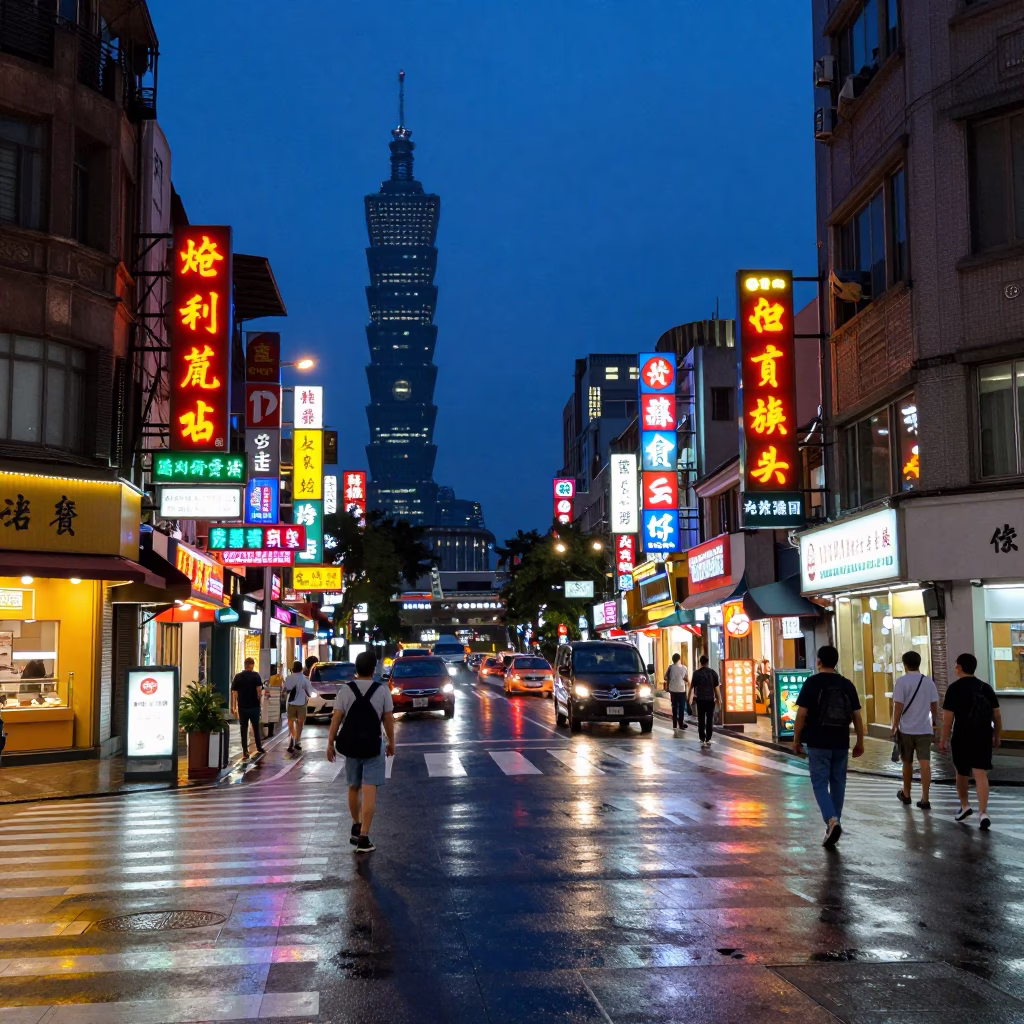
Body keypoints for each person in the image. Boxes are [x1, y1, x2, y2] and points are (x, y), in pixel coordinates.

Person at [793, 644, 864, 848]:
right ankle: (834, 825)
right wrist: (860, 740)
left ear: (818, 661)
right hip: (841, 741)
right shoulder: (846, 685)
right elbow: (857, 716)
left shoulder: (812, 683)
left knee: (819, 783)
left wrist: (796, 739)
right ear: (836, 662)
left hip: (817, 741)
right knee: (838, 783)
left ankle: (832, 820)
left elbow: (802, 714)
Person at [327, 650, 395, 854]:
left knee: (353, 786)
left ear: (356, 669)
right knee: (369, 789)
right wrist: (391, 742)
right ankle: (364, 837)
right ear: (374, 669)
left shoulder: (346, 690)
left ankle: (356, 824)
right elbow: (388, 720)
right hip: (373, 746)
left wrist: (330, 742)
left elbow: (336, 718)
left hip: (351, 745)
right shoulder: (382, 690)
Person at [940, 652, 1002, 830]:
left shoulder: (954, 689)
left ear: (959, 667)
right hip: (983, 735)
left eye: (955, 665)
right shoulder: (985, 688)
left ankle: (965, 805)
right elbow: (997, 714)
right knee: (980, 773)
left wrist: (943, 739)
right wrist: (997, 735)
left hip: (961, 735)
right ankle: (983, 813)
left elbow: (948, 719)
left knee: (961, 772)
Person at [891, 650, 940, 809]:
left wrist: (894, 726)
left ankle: (907, 793)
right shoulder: (928, 682)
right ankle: (925, 799)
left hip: (906, 729)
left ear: (905, 665)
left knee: (907, 763)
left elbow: (898, 706)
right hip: (925, 728)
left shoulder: (902, 682)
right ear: (919, 663)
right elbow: (934, 706)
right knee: (925, 763)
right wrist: (935, 724)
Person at [230, 657, 265, 757]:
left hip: (242, 707)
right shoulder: (256, 676)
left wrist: (234, 707)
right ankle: (259, 747)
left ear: (245, 665)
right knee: (256, 727)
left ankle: (245, 751)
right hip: (254, 706)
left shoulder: (238, 677)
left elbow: (234, 693)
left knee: (243, 728)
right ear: (252, 665)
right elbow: (259, 691)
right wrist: (260, 701)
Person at [688, 655, 721, 748]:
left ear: (700, 663)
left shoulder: (696, 673)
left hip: (700, 700)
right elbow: (716, 688)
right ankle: (708, 738)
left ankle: (702, 737)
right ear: (708, 662)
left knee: (701, 719)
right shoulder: (713, 673)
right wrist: (720, 700)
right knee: (710, 719)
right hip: (710, 699)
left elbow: (691, 688)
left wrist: (688, 699)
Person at [284, 660, 315, 754]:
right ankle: (297, 740)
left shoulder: (289, 678)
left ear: (293, 669)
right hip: (302, 704)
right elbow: (309, 692)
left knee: (291, 722)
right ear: (301, 669)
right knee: (300, 724)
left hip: (291, 704)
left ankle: (292, 738)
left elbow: (285, 690)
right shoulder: (305, 679)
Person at [665, 653, 689, 734]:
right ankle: (681, 724)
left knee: (674, 707)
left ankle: (674, 725)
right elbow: (686, 679)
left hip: (673, 690)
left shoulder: (670, 667)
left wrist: (671, 679)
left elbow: (665, 677)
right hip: (681, 690)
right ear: (679, 659)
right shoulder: (684, 668)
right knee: (681, 707)